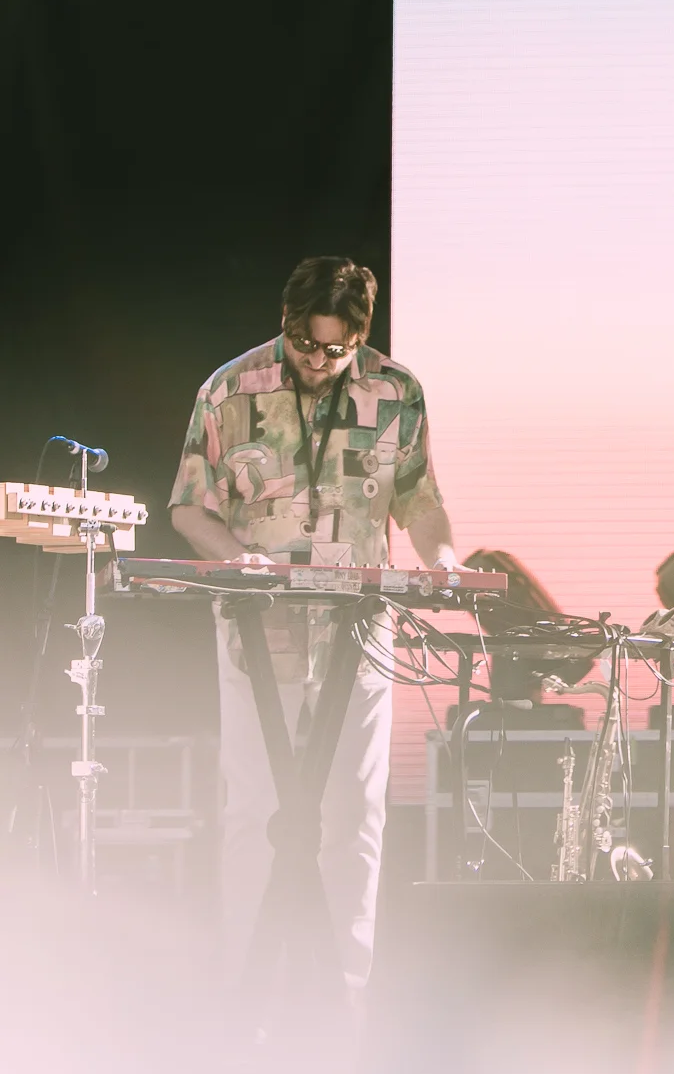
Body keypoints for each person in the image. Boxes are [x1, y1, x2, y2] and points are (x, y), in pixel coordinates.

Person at [170, 256, 456, 1001]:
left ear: (360, 335)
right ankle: (249, 1000)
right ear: (286, 321)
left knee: (355, 819)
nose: (319, 362)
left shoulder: (397, 390)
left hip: (357, 639)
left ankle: (344, 1008)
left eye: (337, 349)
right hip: (257, 634)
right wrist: (242, 561)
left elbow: (419, 500)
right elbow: (188, 506)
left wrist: (445, 557)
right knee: (252, 815)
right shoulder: (229, 388)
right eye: (306, 344)